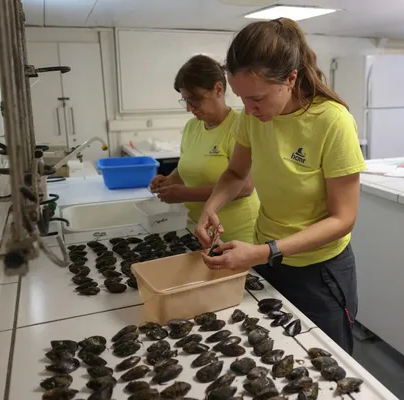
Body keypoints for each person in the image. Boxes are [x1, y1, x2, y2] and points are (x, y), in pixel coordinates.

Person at [193, 18, 366, 354]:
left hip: (320, 273)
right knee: (274, 357)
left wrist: (265, 251)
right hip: (269, 261)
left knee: (326, 363)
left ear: (290, 79)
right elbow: (235, 173)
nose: (248, 109)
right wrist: (210, 208)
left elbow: (343, 218)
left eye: (257, 98)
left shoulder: (332, 121)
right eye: (242, 98)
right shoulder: (251, 117)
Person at [150, 54, 260, 244]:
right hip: (198, 228)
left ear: (218, 89)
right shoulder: (192, 127)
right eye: (185, 101)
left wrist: (184, 194)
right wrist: (168, 181)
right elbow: (187, 168)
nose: (189, 108)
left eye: (194, 100)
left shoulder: (239, 126)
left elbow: (245, 187)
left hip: (237, 233)